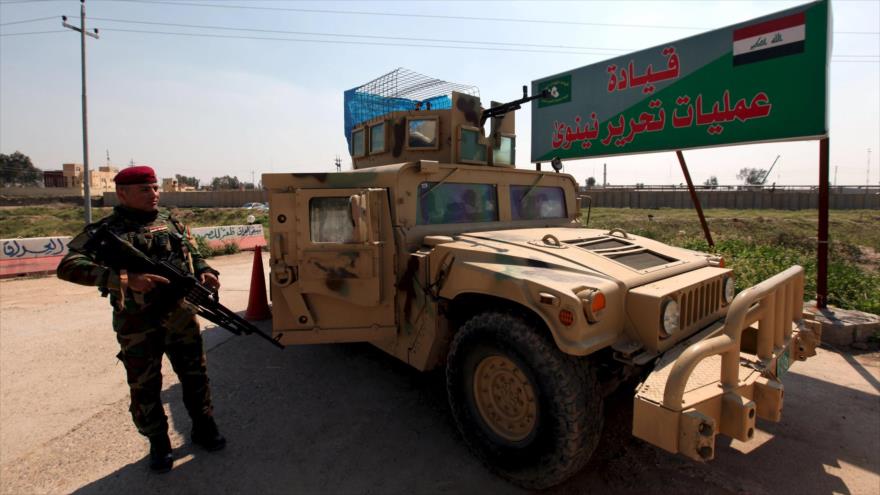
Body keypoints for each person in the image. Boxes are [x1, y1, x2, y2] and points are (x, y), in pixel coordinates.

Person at [57, 165, 226, 473]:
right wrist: (123, 279)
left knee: (196, 376)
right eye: (145, 189)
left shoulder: (171, 222)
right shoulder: (106, 231)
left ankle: (204, 426)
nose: (154, 194)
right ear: (122, 194)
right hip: (137, 324)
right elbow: (68, 266)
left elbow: (194, 254)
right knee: (145, 386)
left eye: (155, 188)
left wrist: (206, 271)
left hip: (181, 317)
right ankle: (158, 442)